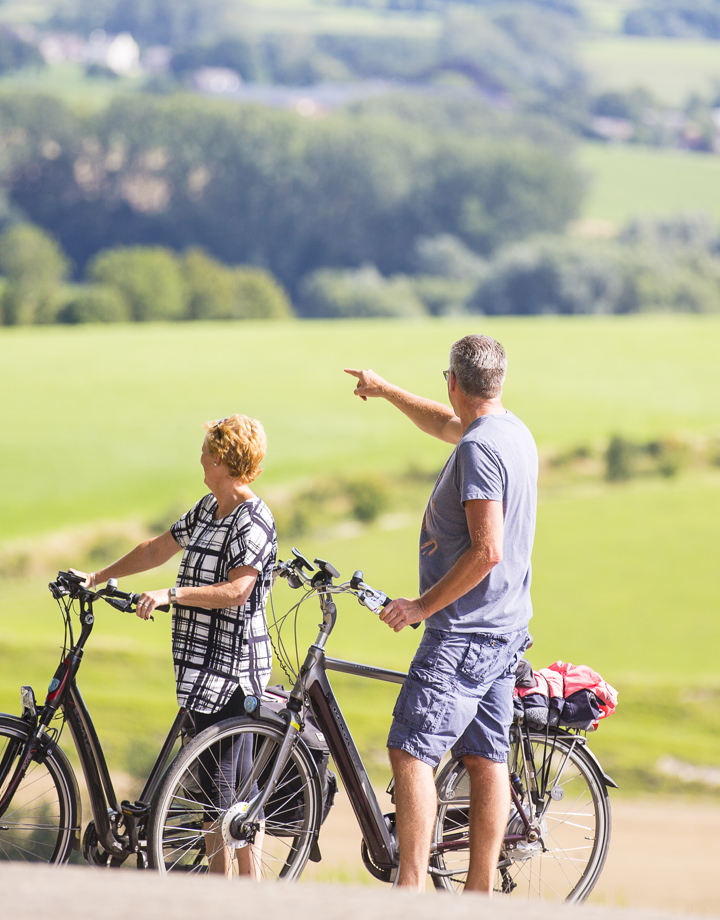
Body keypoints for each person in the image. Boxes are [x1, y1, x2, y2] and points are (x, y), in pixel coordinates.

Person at [344, 334, 537, 895]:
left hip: (463, 633)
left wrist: (420, 606)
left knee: (411, 749)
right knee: (485, 756)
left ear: (453, 381)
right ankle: (477, 894)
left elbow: (487, 550)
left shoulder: (480, 450)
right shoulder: (511, 432)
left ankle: (410, 892)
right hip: (504, 628)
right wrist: (385, 391)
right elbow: (443, 423)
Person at [71, 414, 277, 878]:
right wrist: (98, 577)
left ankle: (233, 896)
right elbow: (156, 549)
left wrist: (173, 594)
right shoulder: (209, 508)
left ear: (221, 459)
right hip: (200, 668)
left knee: (224, 797)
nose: (200, 457)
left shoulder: (253, 520)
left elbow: (237, 592)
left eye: (206, 450)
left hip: (231, 672)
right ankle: (243, 895)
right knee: (225, 796)